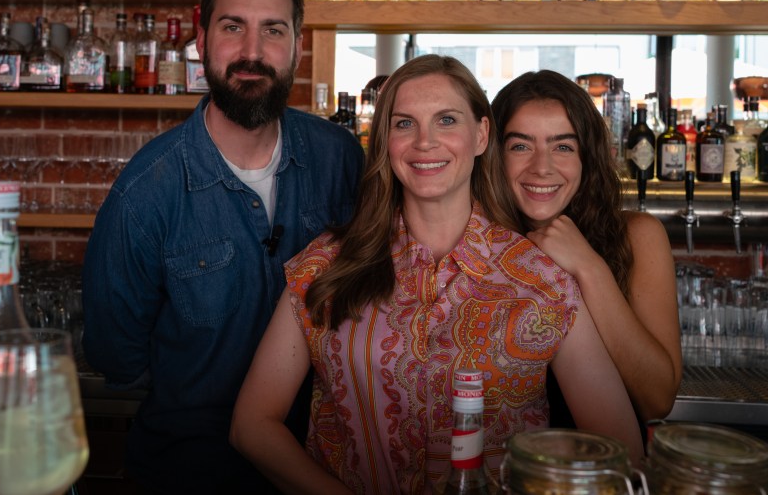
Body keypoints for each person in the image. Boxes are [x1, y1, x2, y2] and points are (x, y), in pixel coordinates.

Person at [230, 55, 643, 495]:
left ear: (481, 135)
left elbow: (622, 451)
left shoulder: (543, 280)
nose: (425, 142)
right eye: (404, 123)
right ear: (385, 140)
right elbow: (252, 425)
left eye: (446, 120)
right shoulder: (324, 265)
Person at [82, 0, 365, 493]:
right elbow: (117, 356)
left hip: (326, 468)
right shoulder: (145, 193)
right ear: (201, 39)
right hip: (190, 476)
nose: (252, 52)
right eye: (233, 27)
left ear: (298, 47)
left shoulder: (341, 160)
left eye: (273, 30)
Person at [491, 70, 681, 425]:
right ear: (492, 156)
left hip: (604, 457)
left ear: (587, 157)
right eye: (520, 146)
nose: (542, 167)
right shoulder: (475, 245)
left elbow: (657, 400)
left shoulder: (637, 236)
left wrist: (589, 266)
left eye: (563, 147)